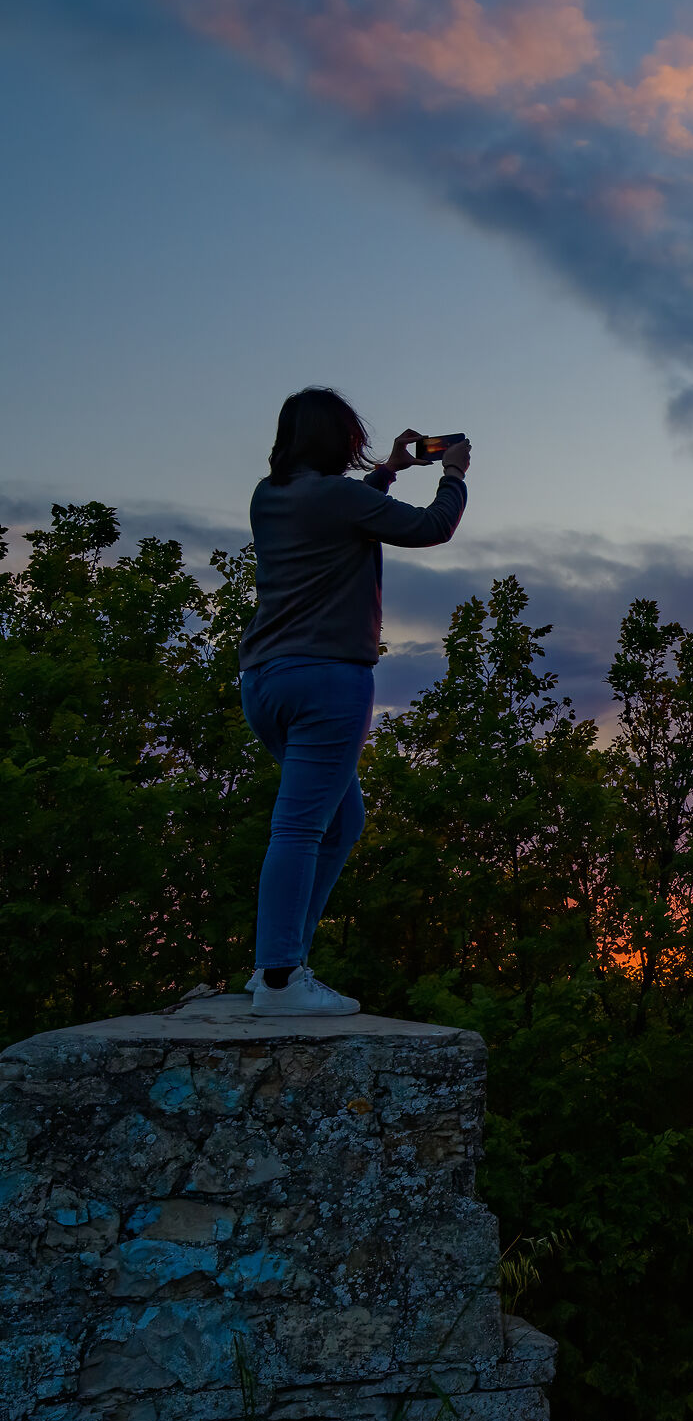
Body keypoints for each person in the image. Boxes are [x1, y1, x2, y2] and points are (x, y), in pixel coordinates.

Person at [237, 387, 469, 1016]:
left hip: (264, 679)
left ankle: (282, 964)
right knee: (302, 826)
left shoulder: (272, 497)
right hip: (327, 679)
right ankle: (281, 977)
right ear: (338, 440)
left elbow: (349, 509)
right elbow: (431, 527)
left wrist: (389, 472)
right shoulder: (337, 497)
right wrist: (452, 474)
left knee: (341, 821)